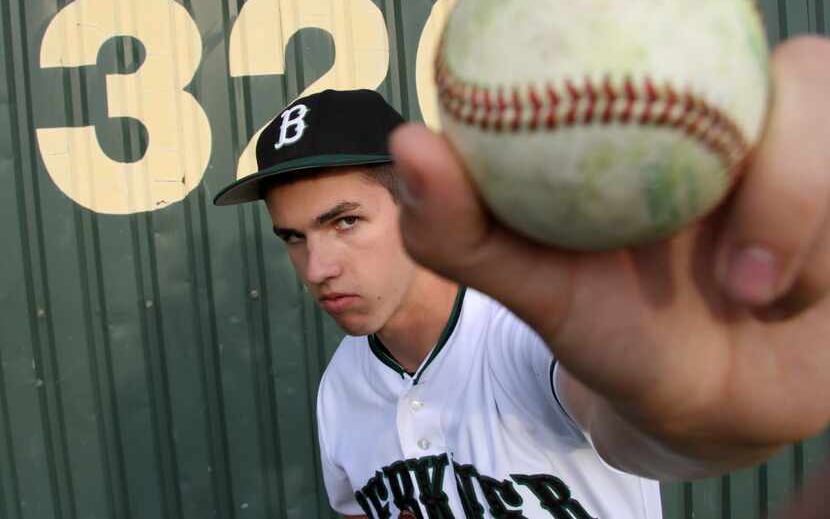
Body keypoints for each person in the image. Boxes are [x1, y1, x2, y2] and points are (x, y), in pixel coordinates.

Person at [213, 34, 830, 518]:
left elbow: (630, 425)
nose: (317, 267)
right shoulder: (342, 385)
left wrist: (690, 400)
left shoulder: (527, 336)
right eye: (294, 238)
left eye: (345, 221)